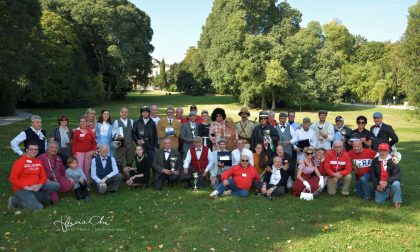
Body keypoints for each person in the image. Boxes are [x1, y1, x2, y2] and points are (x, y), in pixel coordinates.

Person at [8, 142, 60, 210]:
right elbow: (12, 179)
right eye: (31, 149)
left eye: (36, 149)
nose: (34, 151)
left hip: (36, 187)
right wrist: (26, 187)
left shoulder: (38, 161)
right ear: (26, 150)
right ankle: (14, 202)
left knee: (56, 186)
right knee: (39, 207)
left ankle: (34, 197)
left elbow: (43, 176)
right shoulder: (19, 162)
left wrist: (39, 185)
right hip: (22, 189)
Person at [371, 143, 402, 208]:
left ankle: (397, 201)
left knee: (396, 184)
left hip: (390, 181)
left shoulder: (394, 160)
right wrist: (377, 185)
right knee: (379, 201)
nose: (382, 152)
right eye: (380, 150)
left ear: (388, 151)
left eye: (384, 150)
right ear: (378, 151)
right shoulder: (375, 161)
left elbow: (397, 175)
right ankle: (389, 193)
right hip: (380, 183)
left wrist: (386, 182)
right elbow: (373, 175)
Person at [72, 116, 97, 184]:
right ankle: (80, 182)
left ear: (86, 122)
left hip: (89, 152)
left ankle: (87, 181)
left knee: (87, 167)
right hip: (79, 152)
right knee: (80, 167)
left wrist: (93, 150)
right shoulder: (76, 132)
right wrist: (74, 154)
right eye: (81, 121)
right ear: (79, 123)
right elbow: (73, 144)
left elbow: (94, 142)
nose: (83, 123)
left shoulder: (90, 131)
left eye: (84, 121)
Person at [112, 107, 135, 172]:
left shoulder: (131, 121)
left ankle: (128, 175)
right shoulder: (117, 121)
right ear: (120, 113)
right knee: (119, 159)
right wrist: (117, 136)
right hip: (120, 143)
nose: (124, 113)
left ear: (128, 113)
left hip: (129, 143)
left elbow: (133, 132)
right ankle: (120, 175)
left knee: (130, 159)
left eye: (126, 112)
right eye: (123, 112)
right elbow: (113, 131)